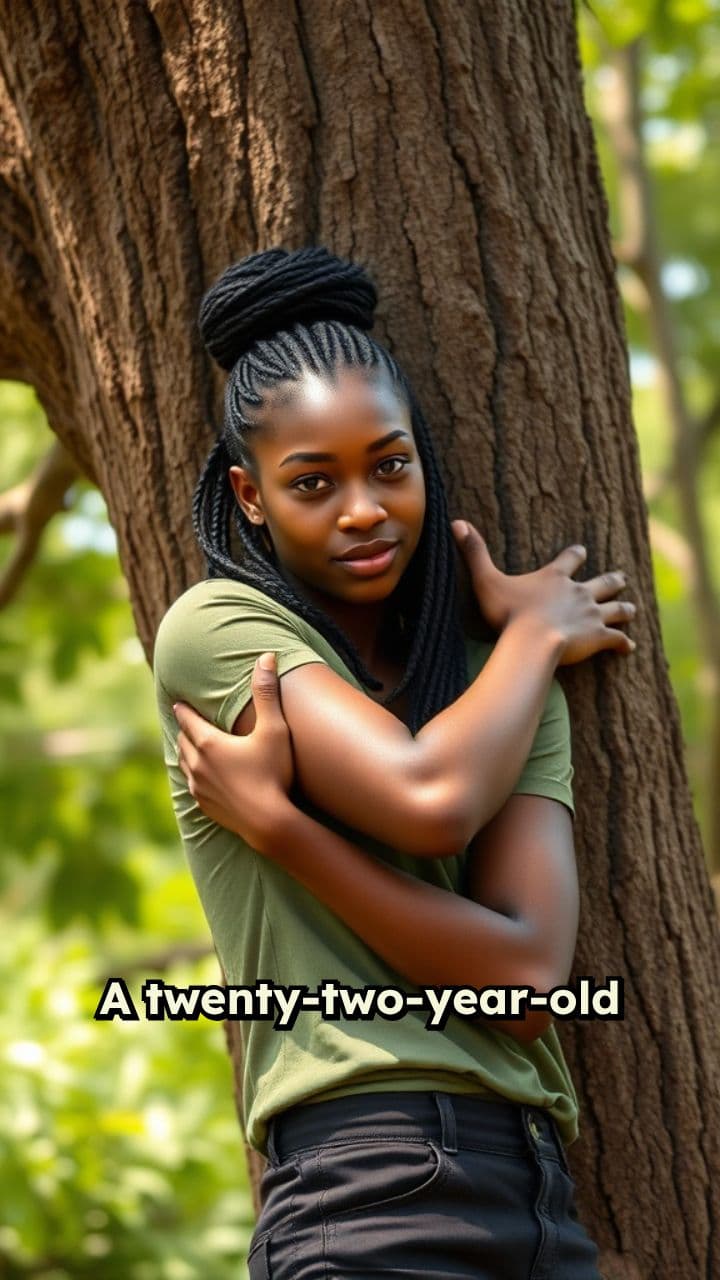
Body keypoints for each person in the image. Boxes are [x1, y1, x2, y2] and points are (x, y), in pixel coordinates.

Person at [153, 245, 636, 1279]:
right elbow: (431, 799)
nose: (363, 508)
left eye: (390, 464)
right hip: (362, 1178)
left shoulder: (500, 679)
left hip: (538, 1196)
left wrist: (283, 829)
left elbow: (524, 981)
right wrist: (536, 635)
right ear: (248, 495)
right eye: (312, 482)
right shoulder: (219, 631)